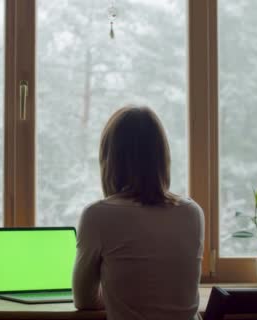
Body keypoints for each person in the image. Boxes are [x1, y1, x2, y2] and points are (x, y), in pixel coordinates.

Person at [72, 105, 205, 320]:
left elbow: (84, 300)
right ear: (162, 156)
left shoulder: (97, 216)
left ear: (110, 159)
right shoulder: (192, 212)